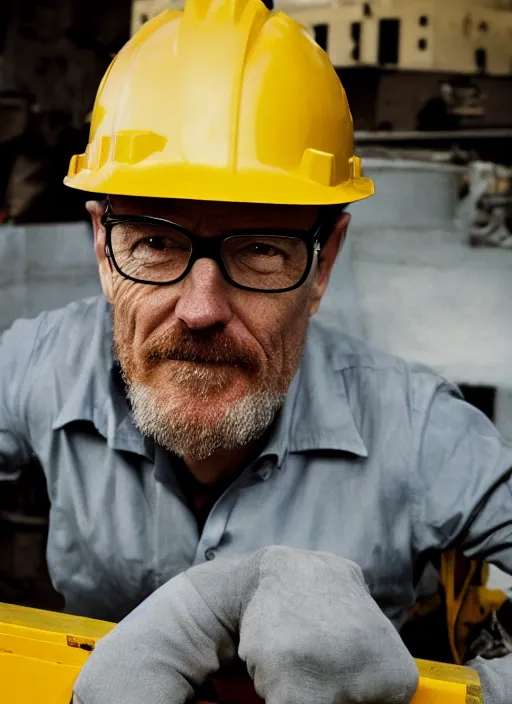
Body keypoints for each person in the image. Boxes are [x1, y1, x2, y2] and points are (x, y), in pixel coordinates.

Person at [1, 0, 512, 701]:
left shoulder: (421, 430)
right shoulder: (38, 365)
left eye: (261, 249)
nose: (202, 309)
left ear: (325, 260)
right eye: (155, 242)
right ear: (101, 244)